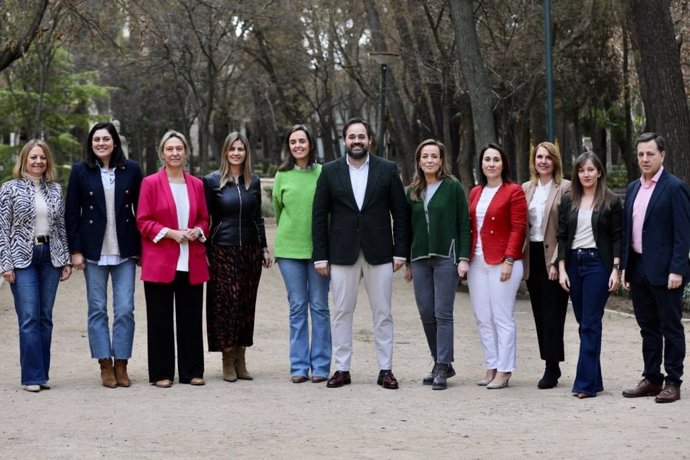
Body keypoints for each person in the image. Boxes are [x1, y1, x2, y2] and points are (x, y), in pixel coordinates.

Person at [312, 117, 409, 390]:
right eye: (352, 136)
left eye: (361, 136)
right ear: (344, 140)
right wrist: (321, 256)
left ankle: (385, 369)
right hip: (342, 253)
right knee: (342, 311)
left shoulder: (387, 169)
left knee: (383, 312)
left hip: (380, 252)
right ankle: (342, 368)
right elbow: (319, 216)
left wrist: (400, 251)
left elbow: (400, 214)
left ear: (369, 140)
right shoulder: (329, 172)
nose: (357, 141)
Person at [65, 122, 143, 388]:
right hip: (93, 251)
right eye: (96, 139)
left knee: (125, 309)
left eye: (106, 139)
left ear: (115, 142)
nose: (101, 143)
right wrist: (75, 251)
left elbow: (141, 210)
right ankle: (105, 364)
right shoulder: (80, 171)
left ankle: (122, 362)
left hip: (124, 250)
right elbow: (71, 214)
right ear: (90, 143)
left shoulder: (131, 169)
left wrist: (141, 250)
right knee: (97, 309)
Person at [136, 130, 209, 388]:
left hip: (192, 260)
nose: (175, 153)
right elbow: (142, 221)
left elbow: (204, 219)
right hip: (160, 261)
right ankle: (161, 372)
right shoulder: (150, 183)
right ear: (162, 153)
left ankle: (192, 371)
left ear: (186, 152)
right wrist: (170, 233)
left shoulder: (197, 185)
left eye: (179, 148)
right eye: (170, 149)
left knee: (190, 318)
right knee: (160, 320)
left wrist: (196, 231)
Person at [621, 132, 690, 404]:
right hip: (638, 269)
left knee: (671, 327)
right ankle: (652, 378)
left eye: (650, 154)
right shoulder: (632, 189)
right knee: (647, 328)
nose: (645, 159)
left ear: (662, 155)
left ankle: (673, 381)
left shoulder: (675, 187)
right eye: (641, 154)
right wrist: (626, 269)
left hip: (666, 273)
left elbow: (683, 233)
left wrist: (678, 269)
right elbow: (629, 230)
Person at [0, 140, 72, 392]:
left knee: (45, 317)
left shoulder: (54, 190)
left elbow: (61, 226)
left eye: (42, 157)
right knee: (29, 317)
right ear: (24, 160)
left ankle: (42, 374)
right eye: (33, 157)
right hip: (22, 258)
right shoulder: (9, 189)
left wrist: (65, 260)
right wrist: (5, 263)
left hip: (50, 257)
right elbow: (2, 228)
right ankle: (32, 376)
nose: (38, 162)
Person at [203, 132, 271, 383]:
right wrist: (206, 250)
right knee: (226, 305)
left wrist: (263, 247)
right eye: (232, 149)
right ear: (225, 152)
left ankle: (241, 358)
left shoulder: (253, 182)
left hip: (250, 250)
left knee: (245, 304)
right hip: (223, 249)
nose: (236, 153)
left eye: (240, 149)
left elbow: (257, 218)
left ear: (246, 152)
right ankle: (227, 359)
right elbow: (205, 218)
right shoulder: (211, 181)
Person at [404, 139, 470, 390]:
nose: (429, 160)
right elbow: (407, 229)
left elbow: (464, 224)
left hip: (446, 257)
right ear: (419, 161)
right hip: (419, 258)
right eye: (425, 156)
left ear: (441, 160)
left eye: (434, 156)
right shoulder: (411, 191)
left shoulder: (452, 187)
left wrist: (463, 258)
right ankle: (440, 360)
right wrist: (408, 261)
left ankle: (442, 365)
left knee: (443, 312)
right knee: (426, 313)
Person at [557, 152, 621, 399]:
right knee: (584, 323)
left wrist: (615, 269)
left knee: (591, 323)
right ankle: (595, 379)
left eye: (591, 169)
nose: (586, 174)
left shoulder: (611, 201)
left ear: (599, 172)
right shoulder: (568, 200)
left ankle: (584, 384)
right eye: (582, 170)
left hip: (598, 264)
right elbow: (562, 235)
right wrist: (562, 268)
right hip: (574, 263)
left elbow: (617, 236)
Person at [272, 125, 331, 384]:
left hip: (319, 251)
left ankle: (320, 365)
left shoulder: (324, 173)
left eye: (302, 141)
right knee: (297, 307)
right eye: (293, 142)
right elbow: (278, 210)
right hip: (289, 251)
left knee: (319, 306)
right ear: (289, 146)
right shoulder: (282, 175)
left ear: (310, 144)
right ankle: (298, 366)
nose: (298, 146)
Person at [467, 143, 527, 390]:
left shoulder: (513, 191)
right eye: (487, 159)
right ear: (481, 164)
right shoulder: (475, 192)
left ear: (503, 164)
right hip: (477, 262)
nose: (491, 164)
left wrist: (509, 259)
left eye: (496, 159)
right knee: (483, 317)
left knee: (502, 316)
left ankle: (504, 369)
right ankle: (491, 364)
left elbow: (518, 227)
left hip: (503, 262)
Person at [521, 142, 571, 389]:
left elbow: (566, 229)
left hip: (554, 259)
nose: (543, 161)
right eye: (539, 157)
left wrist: (557, 262)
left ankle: (552, 366)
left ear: (555, 161)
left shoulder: (566, 188)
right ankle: (549, 361)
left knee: (554, 314)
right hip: (532, 257)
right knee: (539, 313)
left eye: (548, 157)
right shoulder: (525, 188)